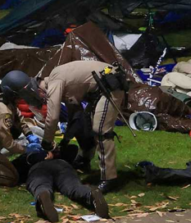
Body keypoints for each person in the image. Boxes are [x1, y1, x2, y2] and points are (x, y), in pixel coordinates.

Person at [39, 61, 128, 194]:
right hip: (102, 85)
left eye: (41, 96)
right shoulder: (61, 80)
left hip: (109, 84)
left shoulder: (54, 83)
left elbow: (52, 118)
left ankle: (109, 178)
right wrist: (65, 142)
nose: (43, 98)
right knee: (86, 122)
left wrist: (47, 142)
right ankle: (84, 159)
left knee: (101, 131)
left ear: (40, 89)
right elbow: (75, 117)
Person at [13, 147, 109, 223]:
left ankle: (42, 195)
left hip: (37, 169)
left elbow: (14, 171)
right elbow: (73, 149)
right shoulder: (53, 147)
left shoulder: (26, 156)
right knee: (73, 187)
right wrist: (56, 151)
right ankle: (90, 193)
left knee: (40, 185)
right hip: (61, 165)